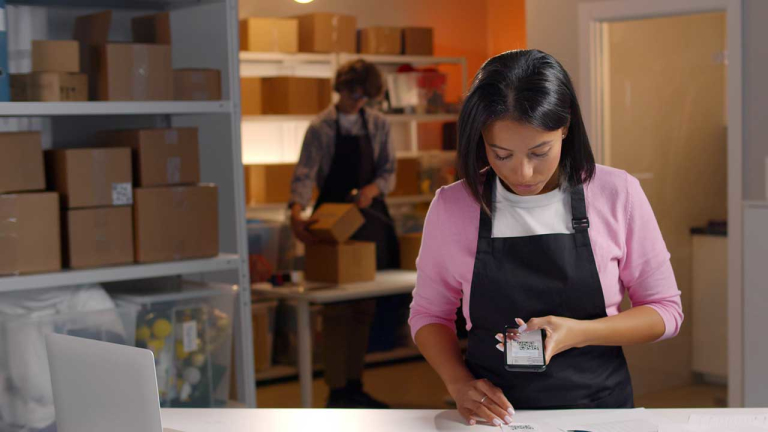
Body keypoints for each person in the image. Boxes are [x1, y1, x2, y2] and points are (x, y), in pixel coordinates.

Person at [409, 50, 684, 425]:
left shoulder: (617, 193)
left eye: (540, 152)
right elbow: (429, 314)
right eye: (500, 154)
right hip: (494, 419)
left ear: (565, 128)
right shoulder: (453, 206)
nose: (522, 172)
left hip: (600, 412)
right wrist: (459, 385)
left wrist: (579, 333)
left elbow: (666, 311)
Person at [289, 59, 399, 409]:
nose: (359, 101)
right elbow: (305, 173)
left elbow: (389, 172)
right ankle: (336, 390)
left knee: (364, 307)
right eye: (354, 93)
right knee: (336, 310)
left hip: (368, 219)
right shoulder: (321, 127)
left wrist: (372, 190)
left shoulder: (379, 124)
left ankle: (355, 385)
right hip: (332, 221)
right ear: (340, 88)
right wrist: (295, 210)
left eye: (365, 96)